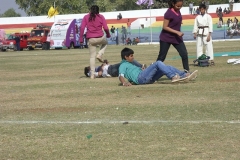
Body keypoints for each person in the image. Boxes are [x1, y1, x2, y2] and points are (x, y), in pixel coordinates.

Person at [119, 48, 198, 86]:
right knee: (158, 63)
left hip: (146, 78)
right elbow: (120, 76)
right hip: (141, 78)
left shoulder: (131, 64)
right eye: (131, 56)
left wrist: (144, 69)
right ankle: (173, 77)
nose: (133, 57)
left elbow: (132, 74)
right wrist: (124, 83)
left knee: (167, 67)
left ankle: (184, 75)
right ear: (126, 57)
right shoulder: (123, 65)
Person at [156, 0, 190, 72]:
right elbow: (165, 27)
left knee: (184, 54)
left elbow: (176, 19)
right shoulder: (168, 13)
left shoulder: (178, 11)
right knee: (161, 57)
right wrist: (177, 32)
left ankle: (186, 72)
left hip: (176, 38)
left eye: (181, 6)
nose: (179, 8)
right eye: (177, 6)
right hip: (166, 38)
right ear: (173, 4)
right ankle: (152, 73)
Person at [80, 5, 111, 79]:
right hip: (100, 37)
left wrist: (81, 39)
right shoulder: (101, 17)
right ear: (98, 10)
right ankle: (100, 54)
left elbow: (82, 28)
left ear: (90, 10)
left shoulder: (86, 17)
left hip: (91, 39)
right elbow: (106, 28)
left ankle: (92, 75)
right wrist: (108, 34)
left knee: (92, 57)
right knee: (105, 42)